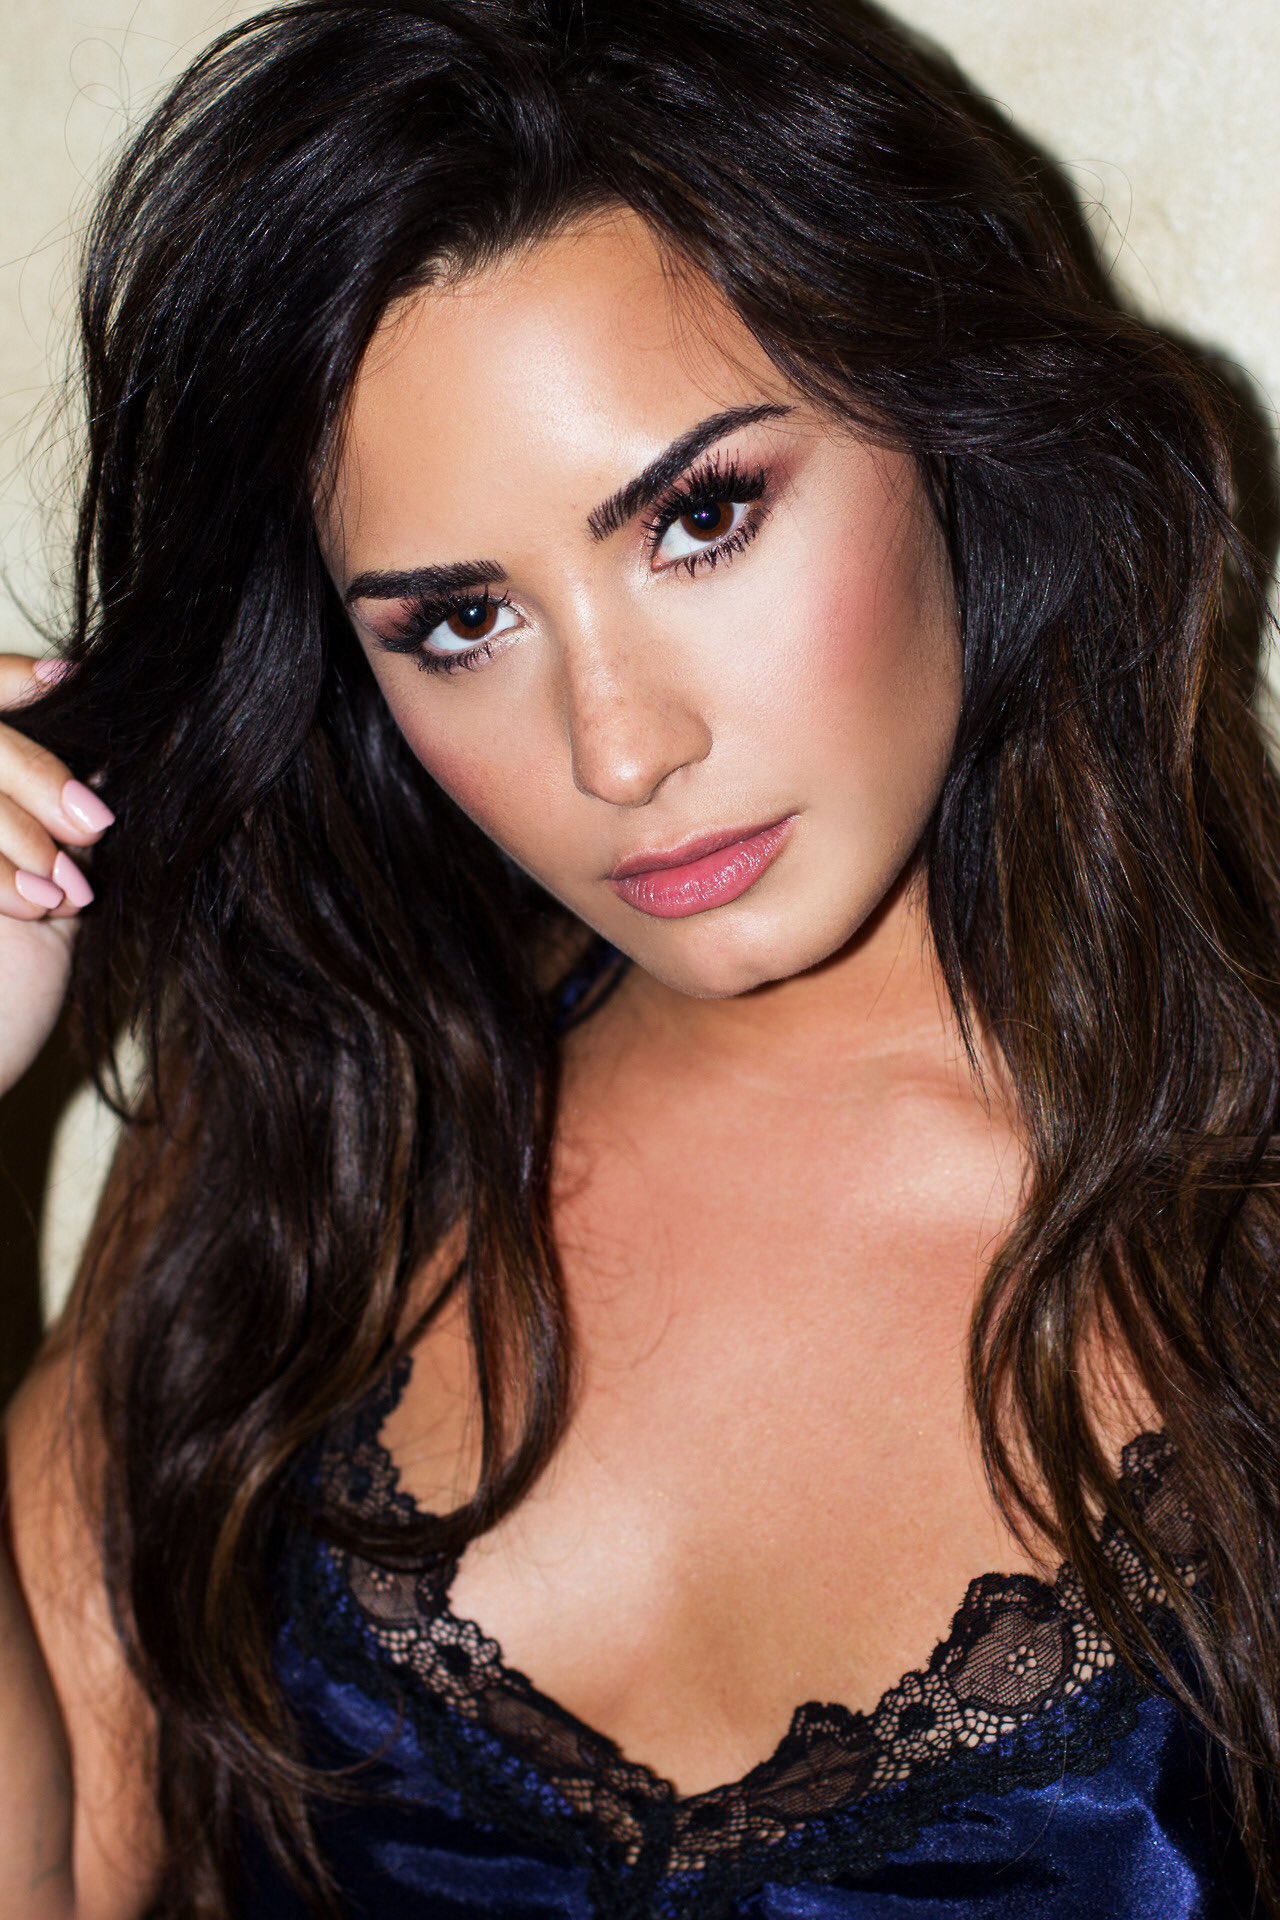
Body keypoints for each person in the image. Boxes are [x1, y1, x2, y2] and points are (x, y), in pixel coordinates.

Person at [0, 0, 1276, 1912]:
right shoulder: (321, 1136)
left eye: (701, 517)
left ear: (956, 427)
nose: (617, 749)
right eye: (458, 623)